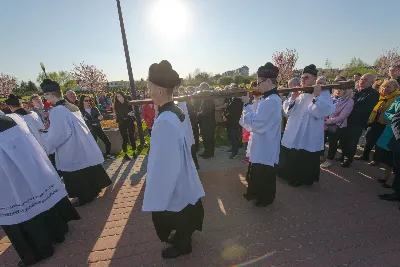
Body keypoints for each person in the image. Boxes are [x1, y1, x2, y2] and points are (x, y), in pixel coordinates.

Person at [142, 60, 205, 259]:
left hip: (173, 176)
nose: (148, 91)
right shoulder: (176, 111)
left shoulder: (163, 121)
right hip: (182, 170)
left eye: (149, 87)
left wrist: (160, 189)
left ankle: (183, 245)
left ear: (160, 90)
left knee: (176, 210)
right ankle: (182, 238)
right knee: (184, 207)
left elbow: (165, 164)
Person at [0, 115, 80, 267]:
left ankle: (38, 251)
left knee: (23, 213)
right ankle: (57, 233)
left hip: (8, 184)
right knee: (39, 202)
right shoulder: (12, 119)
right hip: (30, 176)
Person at [40, 79, 112, 207]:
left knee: (77, 172)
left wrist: (48, 144)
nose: (45, 98)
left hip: (70, 147)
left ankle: (85, 196)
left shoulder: (58, 111)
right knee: (86, 168)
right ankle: (94, 189)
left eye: (45, 95)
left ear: (51, 94)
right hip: (82, 144)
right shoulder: (72, 107)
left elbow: (59, 134)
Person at [278, 64, 335, 187]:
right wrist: (293, 98)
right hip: (294, 128)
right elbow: (287, 110)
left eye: (307, 77)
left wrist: (316, 96)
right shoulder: (299, 92)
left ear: (314, 79)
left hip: (310, 130)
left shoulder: (323, 93)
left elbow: (322, 111)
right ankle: (288, 175)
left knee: (305, 156)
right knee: (292, 153)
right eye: (302, 77)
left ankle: (304, 179)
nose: (303, 79)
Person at [240, 62, 282, 206]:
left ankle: (264, 198)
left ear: (269, 81)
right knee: (259, 169)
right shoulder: (270, 98)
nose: (258, 85)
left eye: (260, 82)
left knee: (263, 170)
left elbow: (256, 124)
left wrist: (246, 105)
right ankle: (257, 194)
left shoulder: (271, 100)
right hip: (264, 140)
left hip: (266, 142)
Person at [355, 80, 400, 164]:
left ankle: (376, 160)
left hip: (386, 124)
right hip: (374, 121)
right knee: (369, 137)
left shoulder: (396, 98)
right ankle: (365, 155)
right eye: (383, 86)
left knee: (379, 142)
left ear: (395, 88)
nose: (385, 89)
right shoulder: (379, 96)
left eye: (388, 87)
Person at [342, 73, 379, 167]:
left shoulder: (373, 94)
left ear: (372, 82)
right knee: (344, 139)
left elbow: (365, 108)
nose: (362, 81)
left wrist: (350, 107)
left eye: (366, 80)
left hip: (357, 122)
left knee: (352, 141)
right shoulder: (355, 91)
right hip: (346, 119)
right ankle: (343, 155)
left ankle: (348, 159)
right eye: (362, 79)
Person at [320, 88, 354, 168]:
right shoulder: (331, 98)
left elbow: (342, 116)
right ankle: (321, 156)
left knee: (332, 143)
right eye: (336, 89)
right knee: (322, 140)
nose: (338, 91)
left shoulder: (349, 101)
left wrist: (327, 121)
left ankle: (329, 160)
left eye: (341, 89)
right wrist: (323, 120)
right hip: (324, 123)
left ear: (346, 90)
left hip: (336, 126)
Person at [375, 81, 400, 187]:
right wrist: (394, 118)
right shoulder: (398, 99)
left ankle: (395, 181)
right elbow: (386, 114)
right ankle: (386, 177)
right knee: (389, 157)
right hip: (390, 132)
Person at [78, 95, 114, 160]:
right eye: (86, 100)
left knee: (107, 142)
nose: (88, 102)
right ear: (82, 102)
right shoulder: (81, 111)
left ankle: (108, 154)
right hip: (90, 130)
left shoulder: (94, 109)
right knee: (94, 145)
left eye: (89, 100)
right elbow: (86, 122)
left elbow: (100, 118)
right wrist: (95, 120)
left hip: (98, 128)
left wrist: (91, 120)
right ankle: (97, 159)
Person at [113, 91, 137, 160]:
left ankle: (134, 152)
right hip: (122, 123)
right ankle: (125, 154)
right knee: (125, 138)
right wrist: (127, 114)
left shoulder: (128, 103)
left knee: (132, 137)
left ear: (123, 96)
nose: (119, 98)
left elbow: (131, 112)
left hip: (129, 122)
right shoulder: (116, 105)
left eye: (120, 96)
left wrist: (130, 114)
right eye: (117, 97)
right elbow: (120, 115)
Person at [197, 82, 216, 159]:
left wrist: (198, 114)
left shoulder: (208, 99)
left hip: (208, 123)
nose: (200, 89)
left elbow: (206, 111)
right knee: (206, 138)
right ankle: (208, 151)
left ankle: (209, 153)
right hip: (206, 122)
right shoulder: (206, 98)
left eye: (201, 88)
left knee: (208, 138)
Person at [224, 93, 244, 159]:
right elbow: (228, 109)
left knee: (234, 137)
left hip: (235, 122)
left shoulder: (238, 101)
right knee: (231, 137)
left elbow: (234, 112)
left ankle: (235, 152)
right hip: (230, 121)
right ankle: (233, 148)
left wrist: (226, 116)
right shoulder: (232, 99)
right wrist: (224, 115)